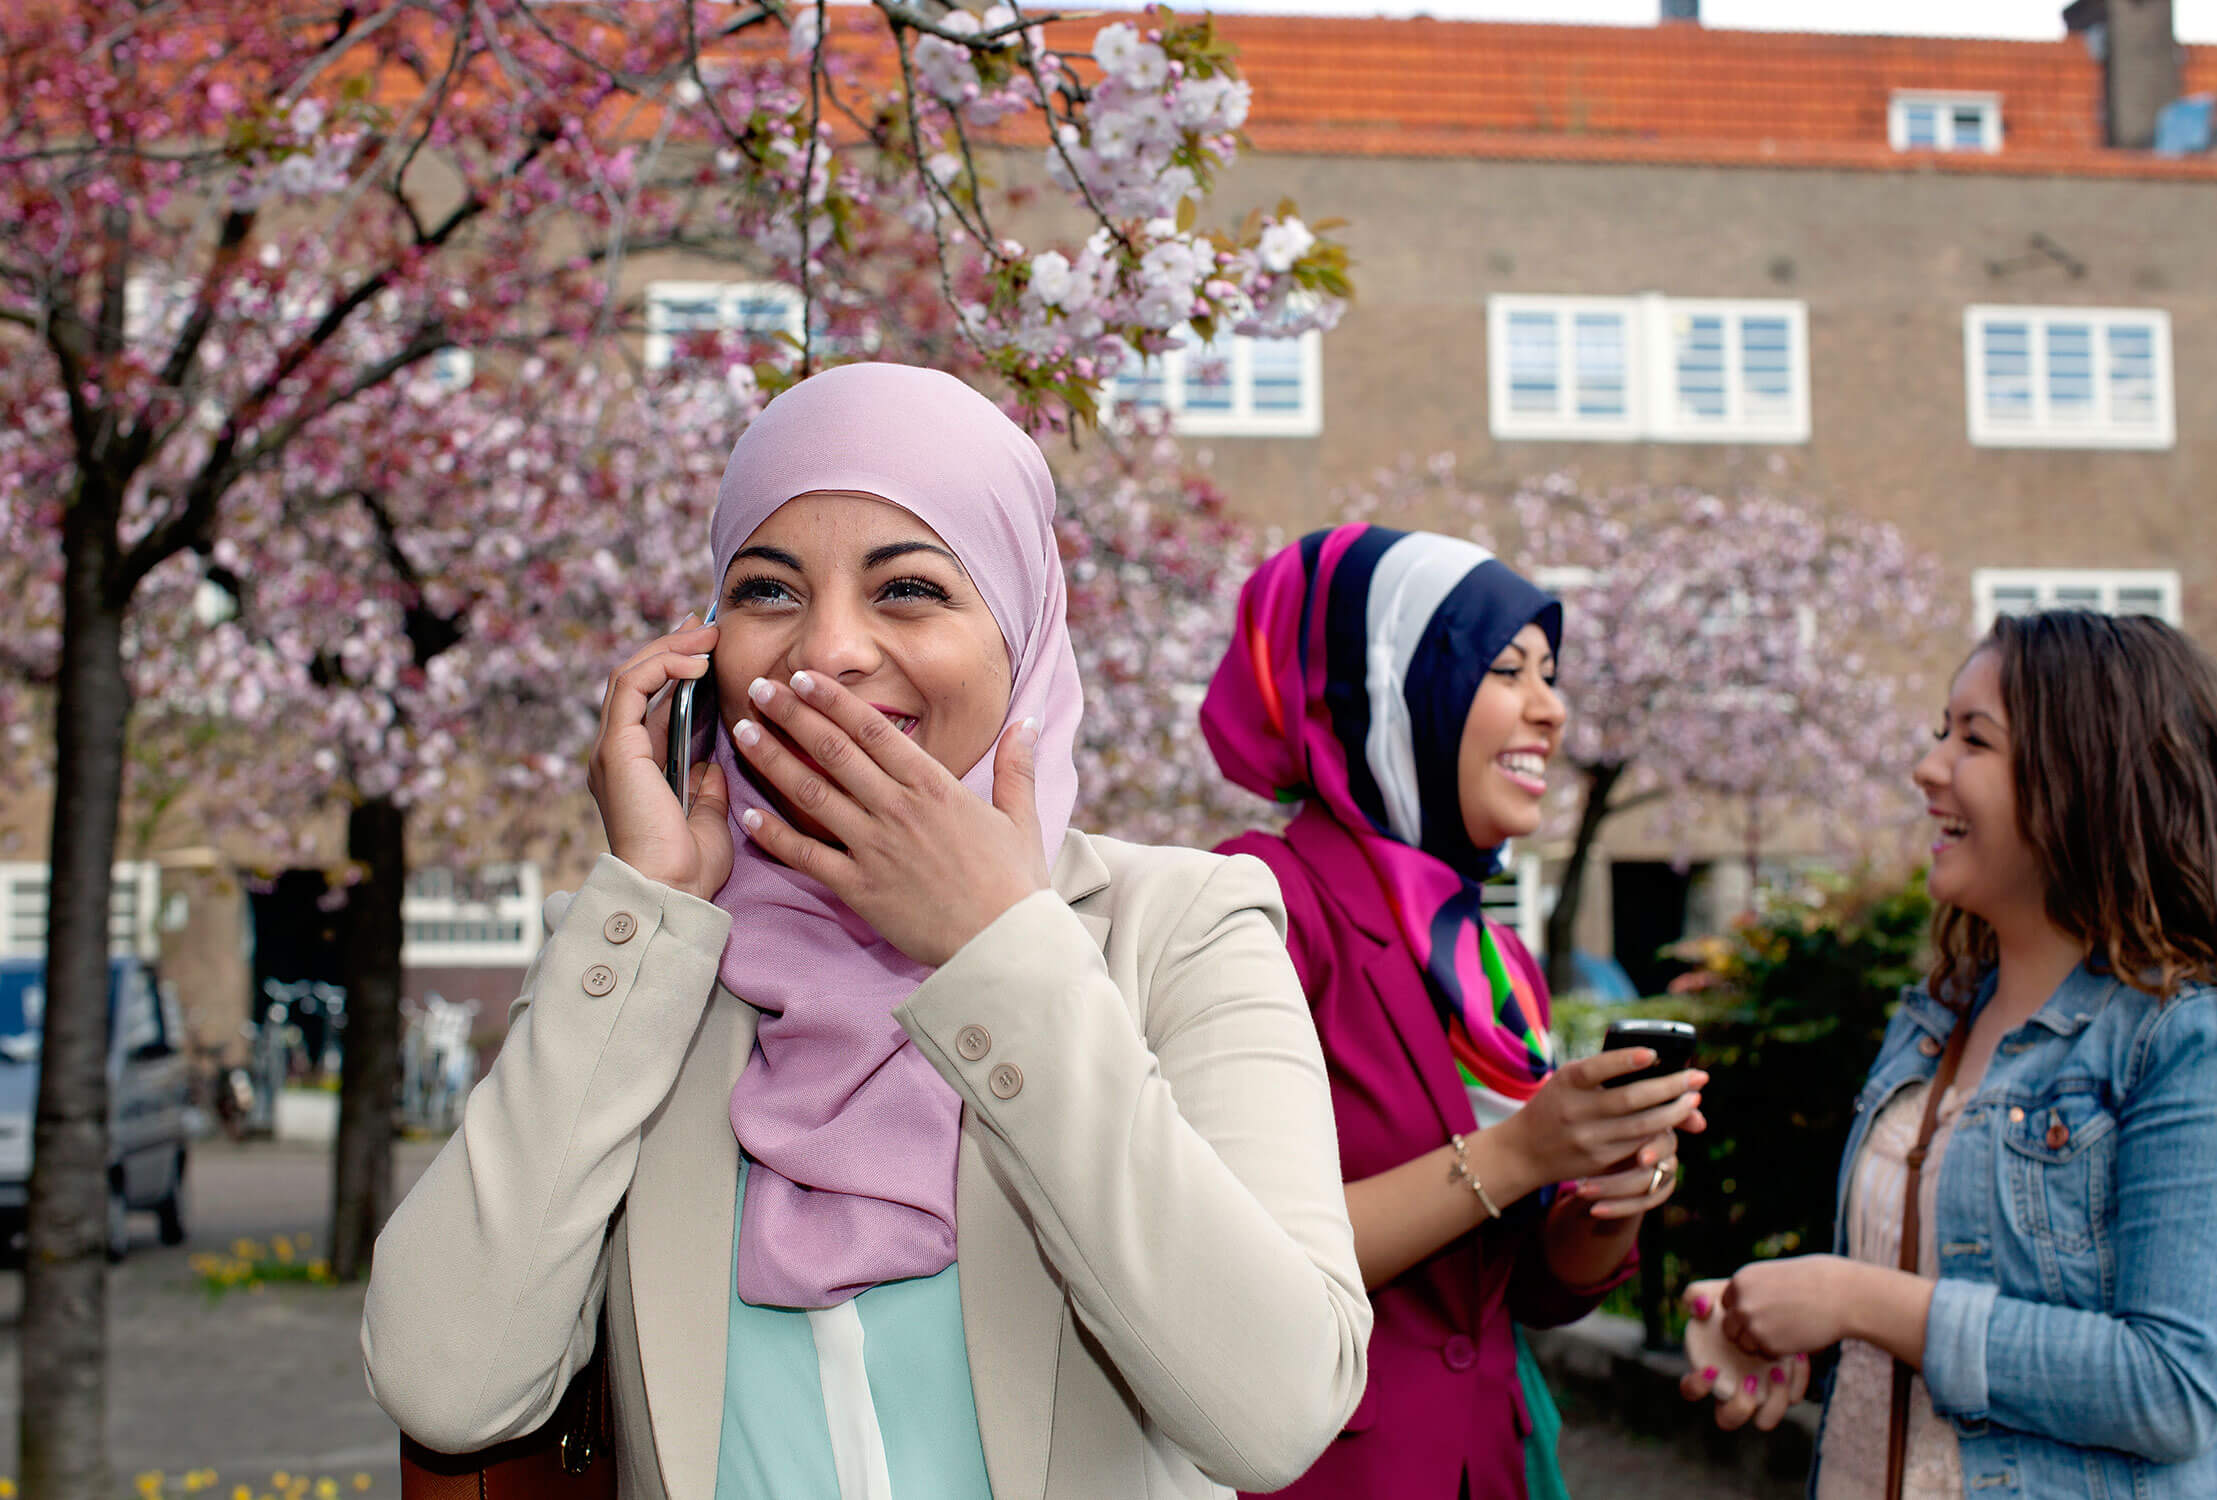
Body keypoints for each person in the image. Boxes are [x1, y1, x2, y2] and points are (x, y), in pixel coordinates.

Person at [362, 363, 1370, 1499]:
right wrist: (642, 913)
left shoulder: (1176, 931)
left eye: (908, 591)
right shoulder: (649, 963)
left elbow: (1278, 1413)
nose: (826, 650)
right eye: (768, 591)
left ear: (1022, 636)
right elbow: (445, 1385)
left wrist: (999, 949)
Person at [1199, 524, 1708, 1500]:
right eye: (1507, 669)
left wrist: (1612, 1183)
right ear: (1385, 686)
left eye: (1550, 674)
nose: (1551, 711)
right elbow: (1230, 1251)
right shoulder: (1258, 897)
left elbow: (1528, 1290)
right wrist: (1523, 1152)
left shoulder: (1494, 957)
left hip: (1495, 1468)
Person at [1679, 610, 2217, 1499]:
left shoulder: (2176, 1037)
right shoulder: (1936, 1019)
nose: (1927, 768)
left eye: (1974, 740)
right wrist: (1789, 1325)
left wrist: (1857, 1300)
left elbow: (2168, 1388)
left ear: (2085, 770)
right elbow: (1944, 1282)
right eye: (1940, 734)